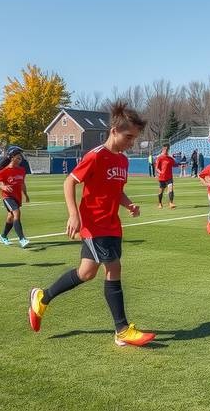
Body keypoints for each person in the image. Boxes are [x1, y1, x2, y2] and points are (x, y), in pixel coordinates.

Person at [28, 102, 155, 347]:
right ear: (114, 131)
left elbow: (116, 190)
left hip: (112, 224)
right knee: (114, 267)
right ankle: (121, 330)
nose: (132, 143)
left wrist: (128, 204)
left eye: (135, 138)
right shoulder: (95, 156)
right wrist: (73, 215)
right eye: (129, 137)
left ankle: (42, 298)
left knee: (86, 273)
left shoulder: (123, 161)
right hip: (95, 225)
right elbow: (69, 182)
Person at [0, 146, 30, 247]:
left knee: (10, 217)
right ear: (12, 157)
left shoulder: (22, 170)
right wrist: (2, 187)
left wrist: (26, 194)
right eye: (18, 157)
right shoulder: (5, 171)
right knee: (16, 213)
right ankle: (22, 239)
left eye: (21, 157)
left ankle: (3, 236)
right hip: (7, 196)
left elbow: (22, 183)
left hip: (17, 196)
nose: (20, 159)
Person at [154, 144, 177, 209]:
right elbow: (156, 168)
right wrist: (160, 172)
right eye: (165, 149)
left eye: (167, 149)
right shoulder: (160, 158)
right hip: (162, 177)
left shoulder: (170, 158)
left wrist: (180, 164)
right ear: (163, 149)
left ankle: (171, 203)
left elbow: (174, 164)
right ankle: (160, 203)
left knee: (171, 189)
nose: (166, 150)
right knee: (161, 191)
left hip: (169, 177)